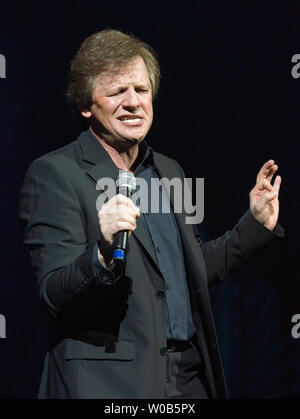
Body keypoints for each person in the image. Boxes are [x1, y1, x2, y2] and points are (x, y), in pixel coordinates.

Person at [19, 29, 283, 399]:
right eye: (116, 92)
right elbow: (54, 293)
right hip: (109, 385)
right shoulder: (56, 174)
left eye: (141, 91)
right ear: (85, 105)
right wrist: (102, 252)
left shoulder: (167, 171)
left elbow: (189, 270)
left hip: (188, 379)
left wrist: (254, 225)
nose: (133, 103)